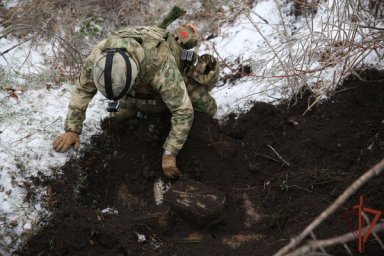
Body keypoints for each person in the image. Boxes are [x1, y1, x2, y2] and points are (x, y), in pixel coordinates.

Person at [52, 25, 219, 179]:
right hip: (133, 89)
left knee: (207, 110)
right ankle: (136, 102)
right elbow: (82, 89)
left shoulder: (160, 65)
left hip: (170, 77)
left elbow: (183, 111)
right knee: (117, 121)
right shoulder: (99, 54)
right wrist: (72, 129)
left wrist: (170, 153)